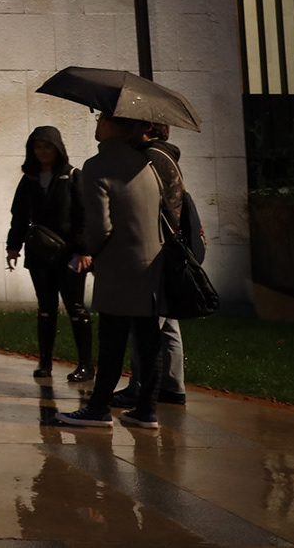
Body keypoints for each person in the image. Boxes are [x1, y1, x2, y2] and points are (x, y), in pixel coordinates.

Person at [56, 112, 177, 430]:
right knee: (148, 341)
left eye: (101, 119)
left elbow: (100, 226)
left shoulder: (98, 165)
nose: (96, 123)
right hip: (151, 264)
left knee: (112, 340)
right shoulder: (146, 162)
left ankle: (98, 408)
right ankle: (146, 410)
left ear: (113, 125)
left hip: (119, 266)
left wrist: (88, 251)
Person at [109, 122, 202, 409]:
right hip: (169, 247)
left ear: (147, 125)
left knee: (145, 324)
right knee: (166, 322)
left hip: (155, 248)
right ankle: (172, 386)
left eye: (129, 122)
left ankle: (140, 387)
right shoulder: (165, 155)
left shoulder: (150, 158)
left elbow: (143, 202)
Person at [5, 125, 94, 383]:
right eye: (38, 147)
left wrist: (83, 250)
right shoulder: (29, 180)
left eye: (47, 147)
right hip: (40, 254)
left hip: (70, 254)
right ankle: (45, 363)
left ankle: (86, 365)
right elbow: (19, 215)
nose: (42, 152)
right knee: (46, 308)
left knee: (76, 308)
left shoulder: (73, 176)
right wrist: (13, 246)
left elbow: (84, 215)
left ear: (58, 149)